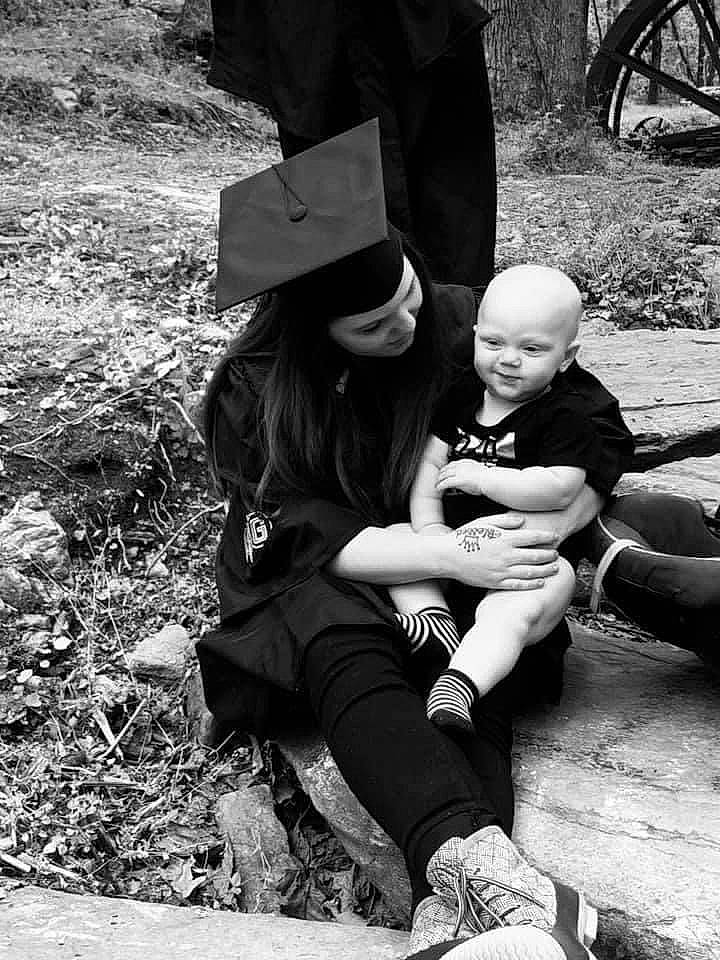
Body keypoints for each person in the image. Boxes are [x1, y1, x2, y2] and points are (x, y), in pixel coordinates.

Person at [197, 123, 634, 960]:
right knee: (334, 632)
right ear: (314, 330)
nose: (407, 323)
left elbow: (595, 430)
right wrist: (440, 556)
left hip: (476, 554)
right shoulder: (258, 396)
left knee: (470, 669)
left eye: (407, 293)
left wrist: (547, 529)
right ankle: (517, 898)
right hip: (345, 567)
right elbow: (300, 536)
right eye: (373, 323)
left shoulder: (467, 319)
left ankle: (459, 917)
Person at [392, 265, 623, 733]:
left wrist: (486, 480)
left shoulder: (565, 415)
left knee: (543, 587)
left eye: (532, 349)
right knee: (399, 542)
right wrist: (431, 532)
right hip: (455, 549)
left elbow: (561, 485)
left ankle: (460, 683)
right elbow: (429, 468)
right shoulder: (460, 398)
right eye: (493, 343)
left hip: (525, 559)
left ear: (566, 357)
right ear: (475, 336)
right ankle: (432, 624)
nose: (509, 359)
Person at [206, 0, 496, 288]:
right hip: (311, 38)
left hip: (420, 32)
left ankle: (447, 310)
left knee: (447, 196)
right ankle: (345, 310)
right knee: (327, 194)